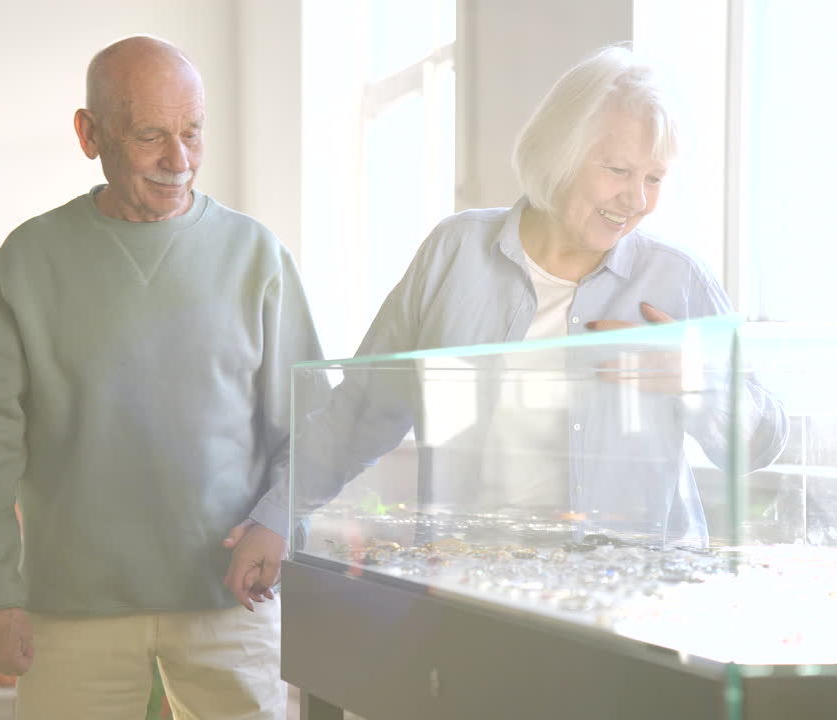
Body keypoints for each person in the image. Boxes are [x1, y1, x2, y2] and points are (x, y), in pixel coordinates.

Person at [223, 45, 789, 594]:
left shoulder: (677, 278)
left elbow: (760, 443)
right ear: (558, 152)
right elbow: (363, 410)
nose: (637, 199)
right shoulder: (455, 252)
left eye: (655, 178)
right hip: (474, 590)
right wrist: (278, 514)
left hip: (639, 602)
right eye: (618, 169)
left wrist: (692, 376)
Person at [0, 35, 321, 720]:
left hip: (229, 598)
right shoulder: (25, 265)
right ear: (90, 134)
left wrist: (277, 520)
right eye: (151, 136)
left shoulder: (257, 256)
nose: (179, 161)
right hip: (72, 610)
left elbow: (311, 423)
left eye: (193, 133)